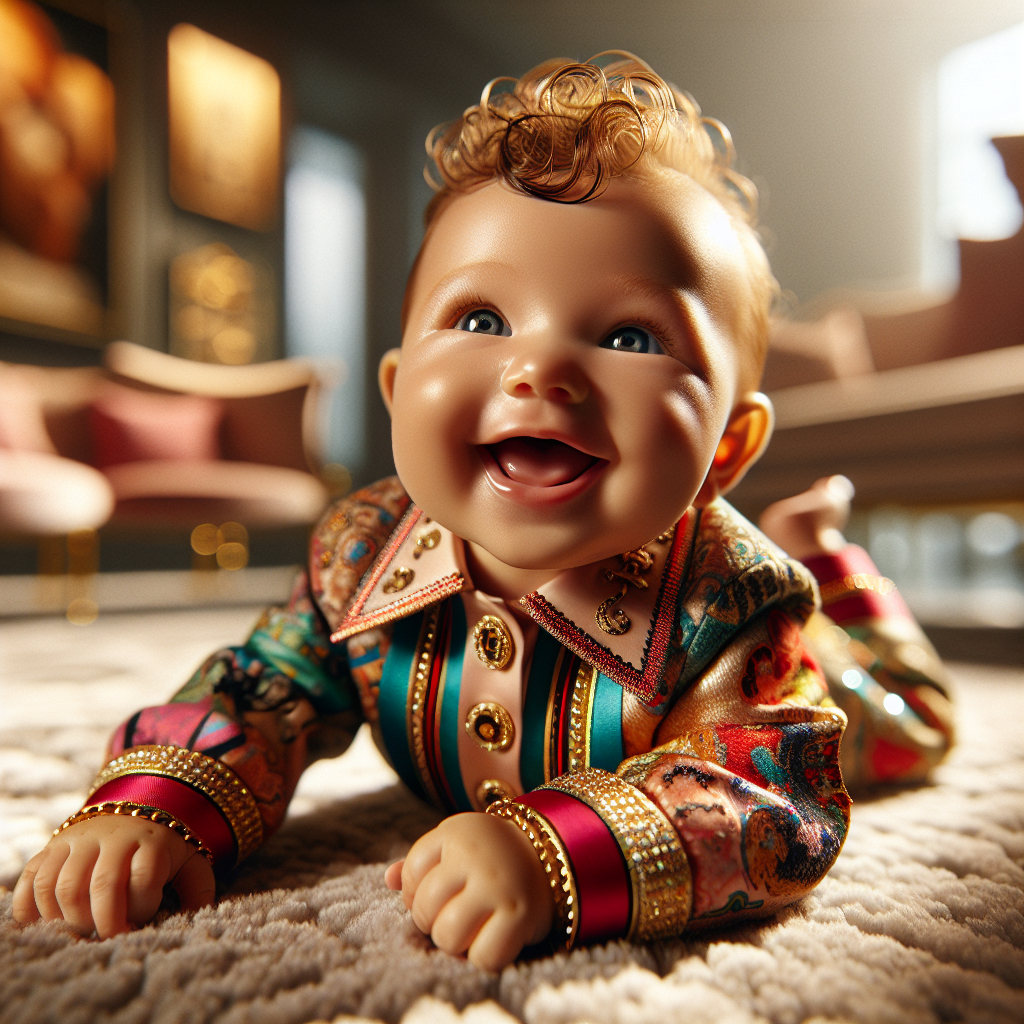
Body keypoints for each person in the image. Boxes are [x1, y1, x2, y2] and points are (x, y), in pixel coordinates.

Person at [13, 53, 953, 971]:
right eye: (480, 320)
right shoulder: (360, 555)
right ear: (395, 390)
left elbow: (766, 793)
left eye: (630, 336)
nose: (537, 369)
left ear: (727, 451)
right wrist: (156, 802)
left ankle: (830, 561)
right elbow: (259, 692)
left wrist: (563, 854)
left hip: (822, 685)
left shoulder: (733, 605)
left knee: (907, 720)